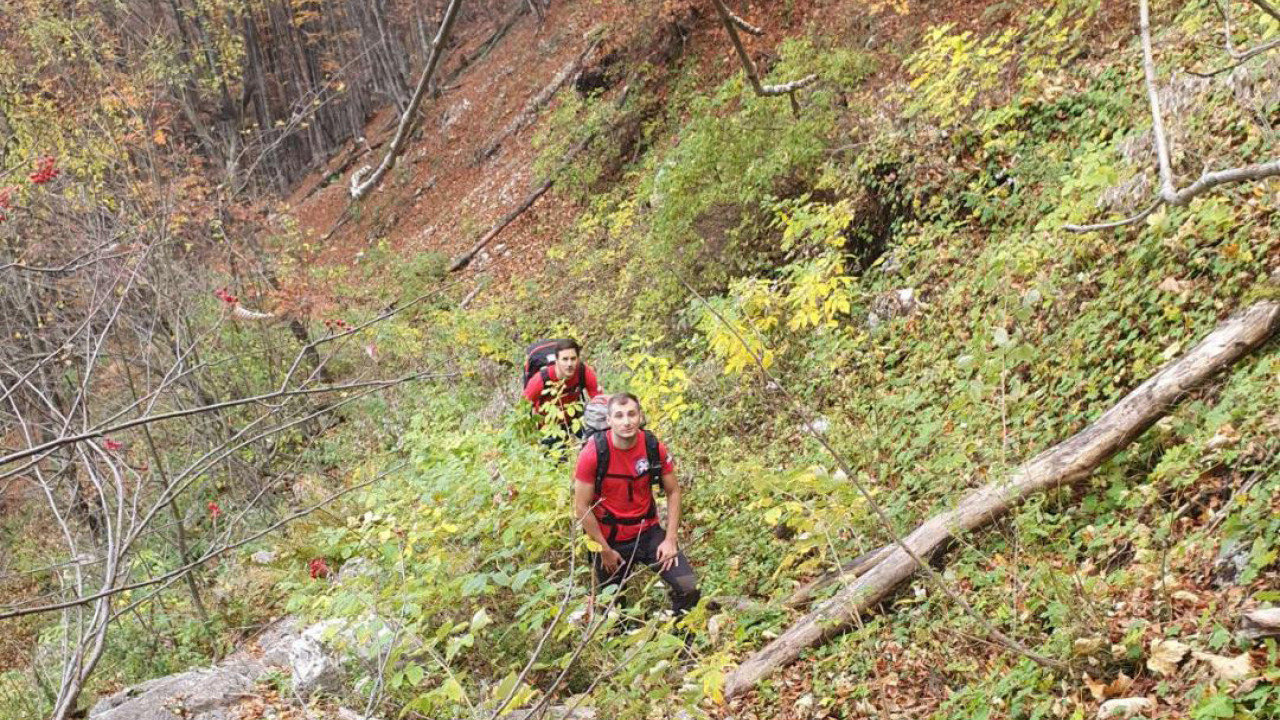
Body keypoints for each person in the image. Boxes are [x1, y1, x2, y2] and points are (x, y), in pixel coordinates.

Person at [573, 393, 700, 616]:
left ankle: (681, 641)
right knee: (612, 608)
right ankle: (622, 641)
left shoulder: (652, 446)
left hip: (648, 532)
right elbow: (581, 507)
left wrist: (670, 540)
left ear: (640, 416)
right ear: (609, 421)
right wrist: (604, 550)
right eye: (619, 416)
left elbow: (673, 491)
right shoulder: (593, 453)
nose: (627, 421)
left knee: (688, 585)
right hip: (609, 537)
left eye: (632, 414)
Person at [524, 339, 600, 443]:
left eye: (573, 359)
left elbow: (599, 401)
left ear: (578, 359)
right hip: (549, 426)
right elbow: (523, 408)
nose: (569, 364)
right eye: (565, 359)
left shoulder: (583, 371)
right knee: (559, 458)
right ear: (556, 361)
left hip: (575, 417)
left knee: (596, 443)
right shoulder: (540, 379)